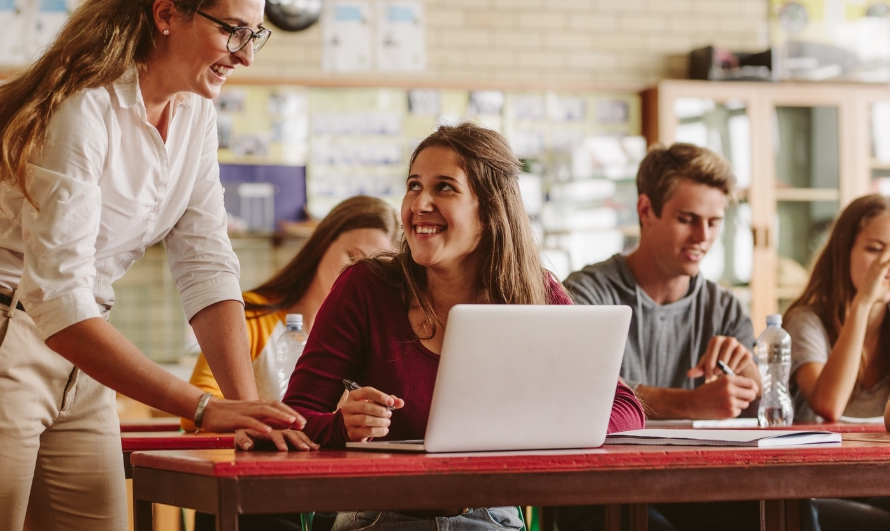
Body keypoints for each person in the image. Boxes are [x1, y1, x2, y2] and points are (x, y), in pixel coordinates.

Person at [0, 0, 305, 529]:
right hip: (4, 337)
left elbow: (207, 265)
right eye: (232, 30)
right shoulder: (83, 109)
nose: (245, 55)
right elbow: (56, 297)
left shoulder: (195, 114)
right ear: (167, 14)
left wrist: (247, 414)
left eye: (254, 35)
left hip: (82, 352)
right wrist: (203, 407)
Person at [237, 122, 645, 531]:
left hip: (493, 519)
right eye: (413, 186)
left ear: (489, 210)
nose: (420, 203)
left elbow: (626, 408)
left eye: (444, 187)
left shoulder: (533, 293)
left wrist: (543, 428)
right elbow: (293, 419)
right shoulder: (366, 288)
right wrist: (341, 426)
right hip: (380, 519)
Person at [559, 143, 777, 531]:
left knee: (784, 512)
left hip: (698, 485)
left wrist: (750, 381)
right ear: (646, 211)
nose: (703, 236)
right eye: (687, 219)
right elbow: (585, 396)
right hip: (603, 486)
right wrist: (692, 403)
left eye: (714, 222)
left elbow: (761, 396)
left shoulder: (724, 306)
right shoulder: (586, 293)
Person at [188, 195, 399, 531]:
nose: (357, 275)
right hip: (254, 494)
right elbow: (198, 403)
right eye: (351, 257)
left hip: (332, 493)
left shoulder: (376, 337)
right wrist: (252, 421)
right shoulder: (253, 316)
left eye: (374, 268)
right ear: (321, 246)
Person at [786, 194, 890, 530]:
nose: (885, 264)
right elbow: (828, 405)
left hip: (879, 476)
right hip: (819, 483)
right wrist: (863, 304)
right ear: (843, 252)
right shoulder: (806, 321)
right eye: (875, 249)